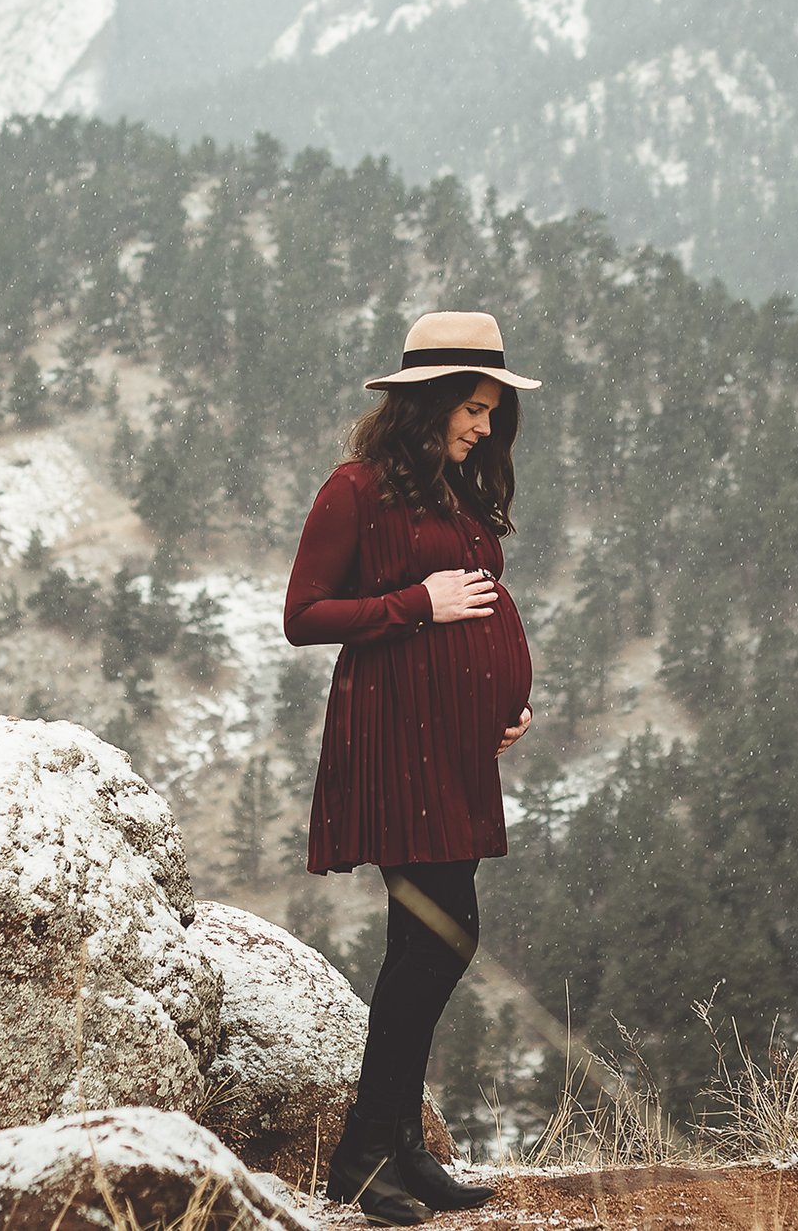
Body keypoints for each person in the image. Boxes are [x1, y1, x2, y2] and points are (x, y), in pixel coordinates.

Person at [284, 310, 538, 1224]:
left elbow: (485, 614)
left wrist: (507, 705)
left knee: (434, 939)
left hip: (456, 748)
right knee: (438, 935)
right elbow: (304, 614)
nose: (483, 425)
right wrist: (414, 603)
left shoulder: (458, 493)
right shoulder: (352, 490)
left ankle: (394, 1149)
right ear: (429, 400)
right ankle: (365, 1151)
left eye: (491, 411)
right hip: (396, 740)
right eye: (473, 407)